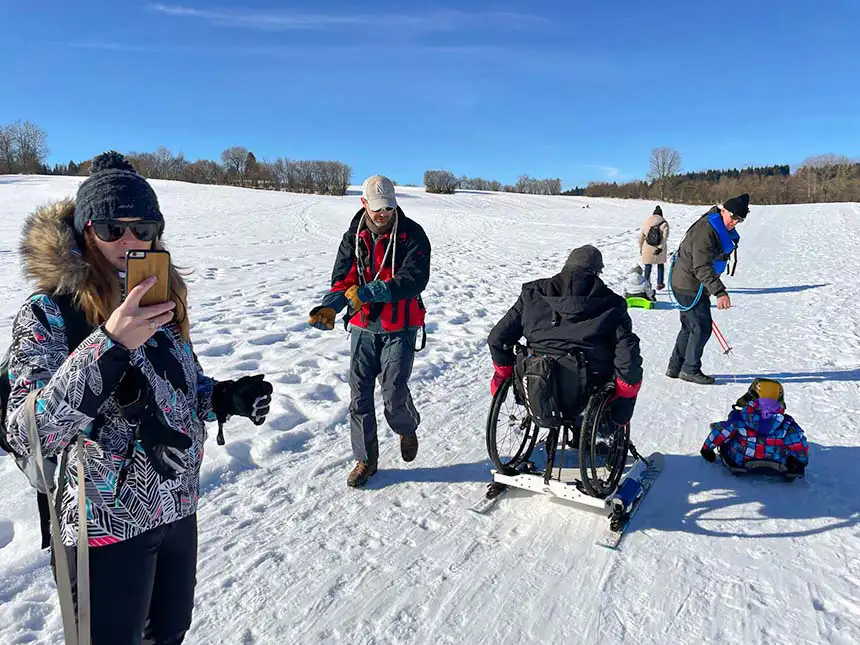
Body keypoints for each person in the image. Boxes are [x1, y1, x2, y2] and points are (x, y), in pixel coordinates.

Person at [3, 152, 273, 645]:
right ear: (86, 231)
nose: (129, 241)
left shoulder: (161, 299)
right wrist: (109, 343)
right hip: (104, 524)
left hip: (176, 506)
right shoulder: (49, 314)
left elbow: (179, 394)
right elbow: (28, 433)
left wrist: (226, 398)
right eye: (111, 227)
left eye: (143, 227)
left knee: (170, 633)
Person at [308, 175, 431, 488]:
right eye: (377, 208)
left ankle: (405, 427)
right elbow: (342, 279)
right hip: (364, 325)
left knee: (394, 390)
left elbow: (413, 279)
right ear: (364, 203)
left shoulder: (412, 234)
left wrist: (371, 291)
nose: (383, 213)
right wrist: (330, 307)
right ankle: (366, 459)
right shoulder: (354, 235)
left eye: (389, 207)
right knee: (359, 393)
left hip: (401, 324)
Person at [487, 244, 643, 432]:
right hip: (585, 389)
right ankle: (605, 430)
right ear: (597, 271)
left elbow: (498, 338)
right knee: (622, 375)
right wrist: (625, 395)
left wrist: (503, 373)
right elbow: (627, 356)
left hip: (536, 379)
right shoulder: (612, 304)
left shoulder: (533, 294)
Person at [667, 194, 748, 385]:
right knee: (702, 328)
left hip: (688, 282)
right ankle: (690, 369)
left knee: (690, 326)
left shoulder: (715, 224)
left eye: (740, 220)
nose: (734, 222)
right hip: (689, 284)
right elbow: (701, 266)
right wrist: (719, 291)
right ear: (724, 210)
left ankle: (675, 366)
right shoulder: (706, 230)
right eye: (733, 217)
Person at [700, 378, 808, 476]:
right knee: (790, 439)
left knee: (727, 433)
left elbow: (721, 432)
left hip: (741, 461)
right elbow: (798, 444)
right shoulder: (787, 423)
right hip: (777, 462)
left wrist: (707, 450)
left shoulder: (740, 418)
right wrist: (799, 462)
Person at [639, 205, 669, 290]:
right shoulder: (664, 223)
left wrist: (641, 247)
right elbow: (664, 237)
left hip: (647, 246)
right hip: (658, 248)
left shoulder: (647, 222)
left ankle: (647, 283)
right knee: (660, 265)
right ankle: (659, 284)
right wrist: (660, 247)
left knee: (648, 266)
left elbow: (641, 236)